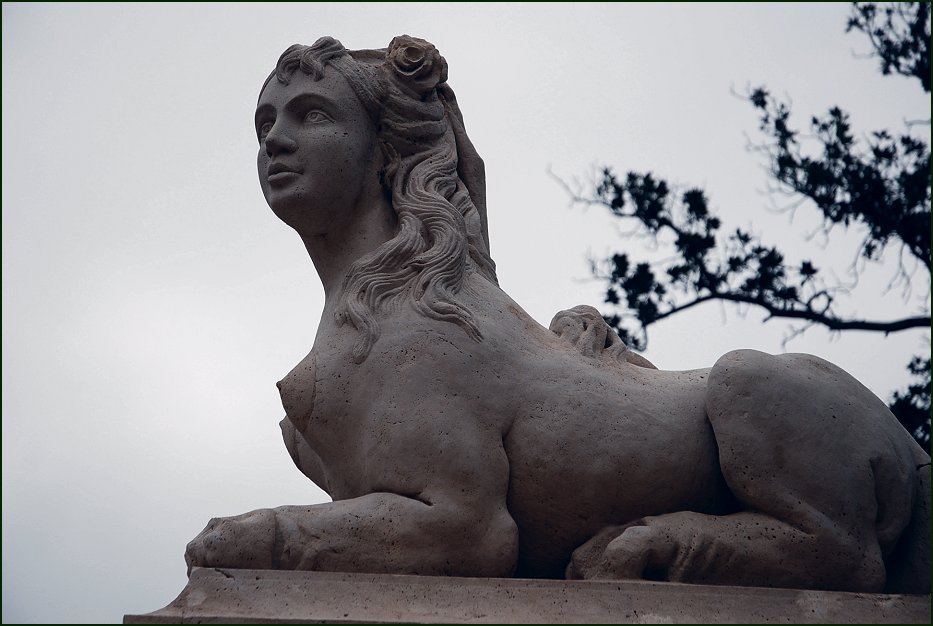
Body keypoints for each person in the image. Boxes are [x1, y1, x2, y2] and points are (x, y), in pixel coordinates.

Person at [186, 35, 930, 592]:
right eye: (264, 124)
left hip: (785, 446)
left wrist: (274, 534)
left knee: (747, 380)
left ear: (385, 149)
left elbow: (466, 533)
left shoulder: (433, 335)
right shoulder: (354, 364)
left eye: (310, 115)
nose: (275, 140)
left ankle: (816, 539)